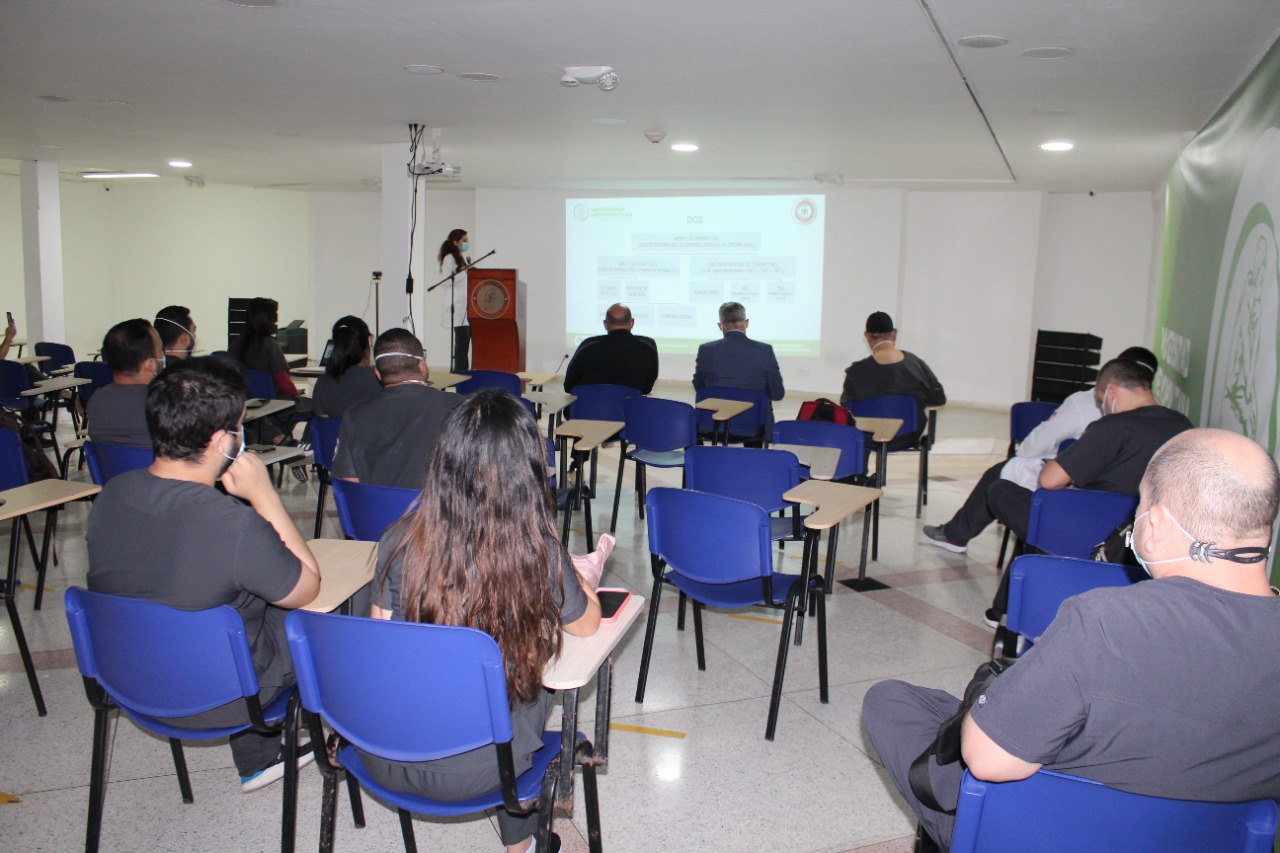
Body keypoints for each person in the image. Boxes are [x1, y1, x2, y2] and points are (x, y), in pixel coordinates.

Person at [866, 428, 1280, 850]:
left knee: (893, 702)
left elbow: (988, 761)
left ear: (1155, 524)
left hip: (1045, 833)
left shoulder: (1104, 621)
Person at [366, 388, 601, 853]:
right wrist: (575, 569)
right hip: (493, 770)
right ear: (527, 472)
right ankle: (522, 840)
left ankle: (518, 841)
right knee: (523, 686)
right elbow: (588, 625)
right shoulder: (536, 551)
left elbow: (380, 646)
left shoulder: (398, 541)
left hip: (388, 754)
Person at [86, 356, 320, 792]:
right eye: (239, 427)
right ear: (220, 441)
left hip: (129, 683)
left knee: (214, 598)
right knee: (324, 605)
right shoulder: (232, 523)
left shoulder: (111, 497)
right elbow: (307, 588)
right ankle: (278, 749)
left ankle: (256, 755)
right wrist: (264, 495)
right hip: (224, 699)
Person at [1001, 346, 1157, 490]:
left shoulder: (1091, 412)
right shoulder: (1163, 422)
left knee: (998, 485)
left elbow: (1041, 459)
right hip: (1119, 502)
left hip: (1073, 491)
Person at [331, 328, 462, 489]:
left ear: (378, 374)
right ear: (422, 365)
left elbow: (349, 484)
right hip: (440, 512)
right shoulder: (460, 407)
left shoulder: (354, 416)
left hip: (378, 513)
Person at [841, 311, 945, 445]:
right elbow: (938, 398)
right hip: (908, 435)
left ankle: (861, 466)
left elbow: (846, 407)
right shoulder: (916, 364)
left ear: (867, 336)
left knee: (859, 432)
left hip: (869, 438)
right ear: (894, 333)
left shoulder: (856, 371)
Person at [692, 301, 785, 440]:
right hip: (752, 426)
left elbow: (698, 386)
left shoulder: (706, 350)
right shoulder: (765, 351)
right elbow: (777, 393)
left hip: (711, 424)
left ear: (720, 326)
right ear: (746, 323)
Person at [229, 297, 307, 444]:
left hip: (248, 404)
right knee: (314, 408)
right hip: (275, 404)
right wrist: (296, 393)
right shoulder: (270, 346)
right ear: (268, 319)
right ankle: (305, 452)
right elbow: (284, 383)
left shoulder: (235, 344)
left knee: (260, 422)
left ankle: (280, 439)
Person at [87, 319, 164, 447]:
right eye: (161, 351)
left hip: (110, 467)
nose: (163, 356)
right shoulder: (162, 403)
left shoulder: (96, 400)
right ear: (150, 364)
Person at [563, 303, 659, 394]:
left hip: (589, 410)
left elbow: (569, 386)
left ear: (605, 324)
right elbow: (646, 388)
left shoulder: (587, 346)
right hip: (629, 410)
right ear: (632, 322)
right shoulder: (648, 347)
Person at [311, 315, 381, 417]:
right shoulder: (380, 379)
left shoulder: (323, 381)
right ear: (370, 340)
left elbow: (322, 422)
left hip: (334, 433)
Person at [438, 228, 471, 373]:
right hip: (456, 305)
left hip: (464, 305)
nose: (466, 243)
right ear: (455, 242)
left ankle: (463, 372)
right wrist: (464, 274)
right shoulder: (449, 258)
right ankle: (459, 374)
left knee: (464, 341)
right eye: (464, 240)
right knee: (461, 342)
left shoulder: (459, 257)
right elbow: (446, 281)